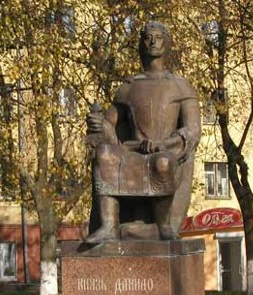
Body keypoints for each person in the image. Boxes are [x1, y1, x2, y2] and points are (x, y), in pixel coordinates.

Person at [86, 21, 201, 243]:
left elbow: (193, 128)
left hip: (166, 153)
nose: (153, 42)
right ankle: (109, 226)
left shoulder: (180, 86)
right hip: (132, 151)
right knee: (104, 156)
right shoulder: (129, 86)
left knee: (162, 163)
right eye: (148, 37)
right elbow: (111, 125)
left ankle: (164, 224)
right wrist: (99, 124)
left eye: (158, 37)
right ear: (141, 44)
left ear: (167, 44)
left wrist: (166, 143)